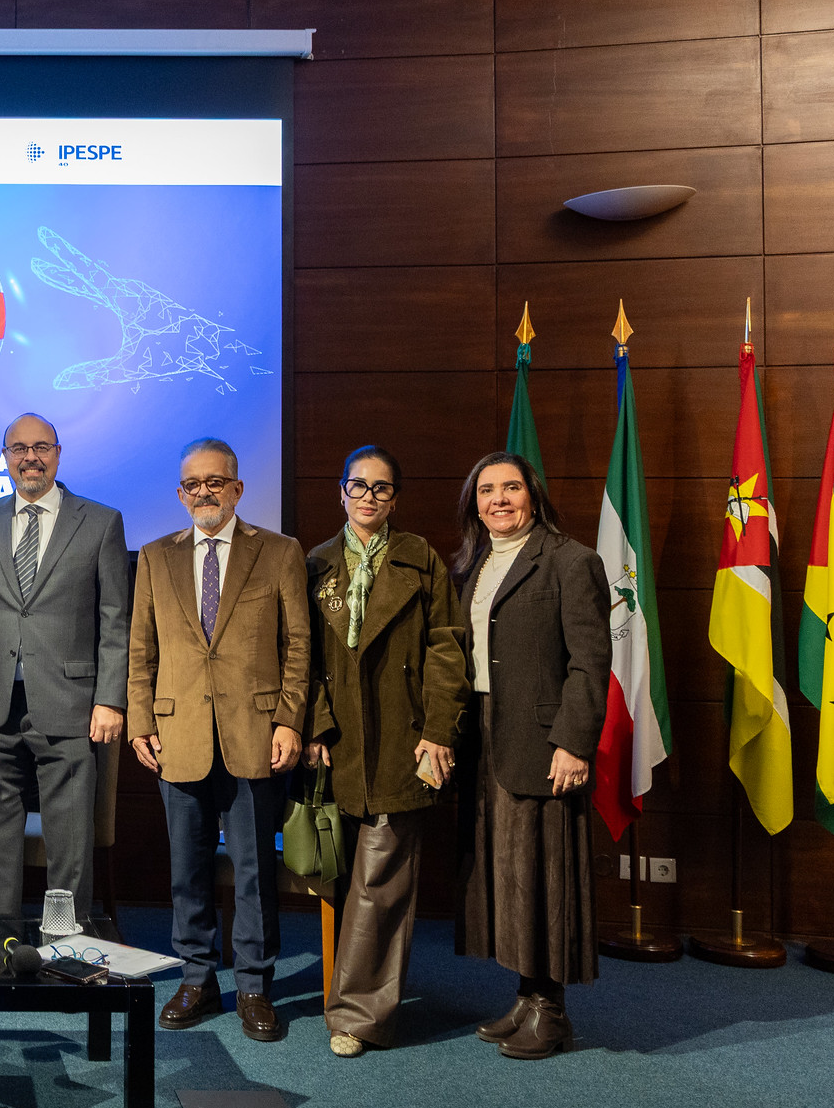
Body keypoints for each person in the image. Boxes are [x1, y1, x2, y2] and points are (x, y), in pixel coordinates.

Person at [127, 437, 309, 1040]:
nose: (203, 492)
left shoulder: (279, 552)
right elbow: (141, 648)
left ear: (237, 488)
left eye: (214, 482)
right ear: (180, 494)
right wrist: (140, 720)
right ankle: (198, 978)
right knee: (188, 870)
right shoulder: (155, 556)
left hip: (255, 734)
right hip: (177, 735)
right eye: (192, 484)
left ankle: (254, 986)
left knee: (254, 870)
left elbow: (297, 646)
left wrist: (289, 720)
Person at [303, 446, 469, 1058]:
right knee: (342, 876)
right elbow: (300, 654)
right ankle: (355, 996)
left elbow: (447, 647)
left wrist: (440, 730)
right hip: (336, 745)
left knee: (381, 878)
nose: (369, 497)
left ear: (395, 498)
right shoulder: (315, 563)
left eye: (381, 488)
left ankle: (356, 1017)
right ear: (341, 492)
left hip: (406, 737)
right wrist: (315, 726)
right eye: (359, 485)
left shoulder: (420, 558)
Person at [451, 451, 610, 1060]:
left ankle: (552, 1010)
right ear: (474, 504)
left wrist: (573, 741)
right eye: (486, 490)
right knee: (508, 875)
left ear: (532, 495)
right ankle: (525, 996)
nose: (499, 499)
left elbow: (590, 662)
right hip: (485, 735)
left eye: (510, 487)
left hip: (544, 742)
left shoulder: (571, 560)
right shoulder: (472, 564)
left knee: (546, 874)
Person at [0, 413, 129, 931]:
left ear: (58, 453)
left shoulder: (100, 521)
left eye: (41, 447)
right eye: (19, 449)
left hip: (73, 702)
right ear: (5, 457)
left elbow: (115, 618)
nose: (30, 458)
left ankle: (65, 944)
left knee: (70, 837)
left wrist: (110, 698)